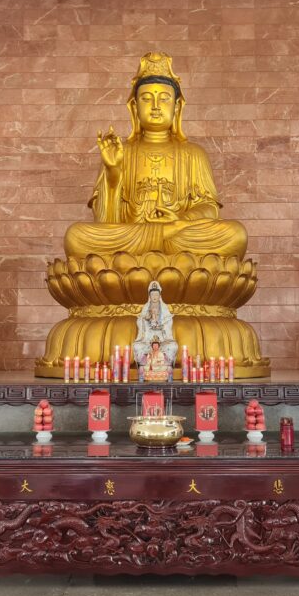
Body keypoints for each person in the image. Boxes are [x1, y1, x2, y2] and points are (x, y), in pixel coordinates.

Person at [63, 52, 247, 259]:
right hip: (134, 235)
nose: (156, 106)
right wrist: (113, 172)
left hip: (176, 232)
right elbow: (105, 221)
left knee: (235, 234)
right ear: (135, 107)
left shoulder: (193, 153)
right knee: (76, 236)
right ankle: (163, 242)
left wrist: (180, 221)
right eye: (146, 99)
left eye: (164, 98)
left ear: (177, 107)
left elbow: (209, 208)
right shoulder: (120, 151)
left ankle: (160, 240)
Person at [132, 281, 178, 373]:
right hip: (148, 338)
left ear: (160, 295)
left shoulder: (164, 307)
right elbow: (140, 321)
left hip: (162, 338)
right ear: (149, 295)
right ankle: (145, 365)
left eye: (156, 294)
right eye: (152, 294)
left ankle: (165, 365)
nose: (154, 297)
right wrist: (145, 321)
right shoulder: (146, 307)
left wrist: (162, 325)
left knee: (173, 346)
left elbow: (169, 321)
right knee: (137, 346)